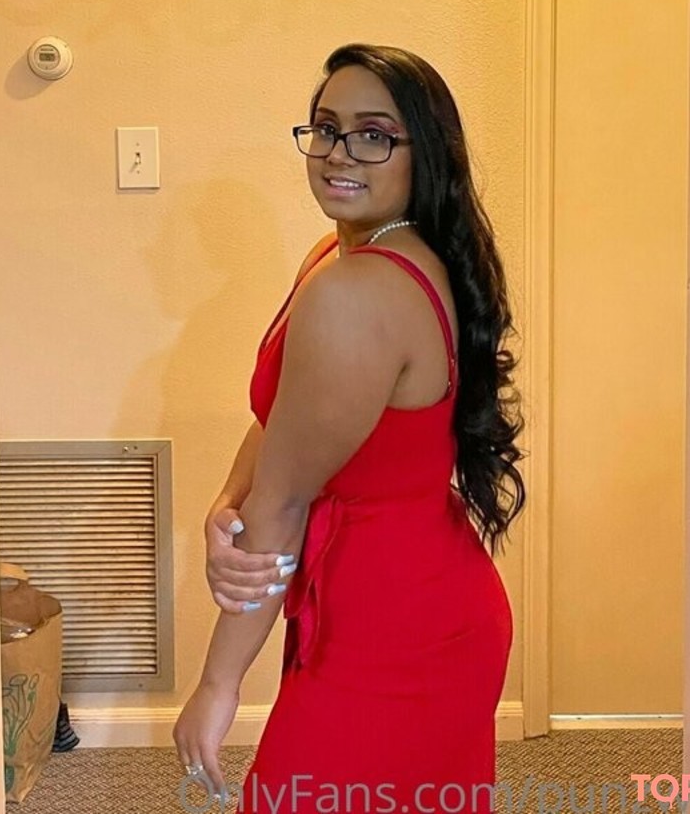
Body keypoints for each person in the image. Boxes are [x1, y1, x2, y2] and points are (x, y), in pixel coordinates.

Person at [173, 43, 525, 811]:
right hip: (391, 602)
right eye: (326, 127)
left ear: (422, 153)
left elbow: (284, 500)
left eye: (373, 134)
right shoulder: (340, 255)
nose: (338, 152)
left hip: (402, 632)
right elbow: (281, 422)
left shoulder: (358, 290)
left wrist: (217, 683)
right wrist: (226, 504)